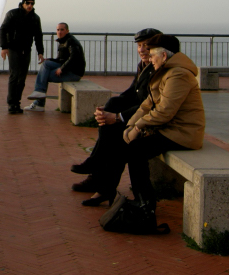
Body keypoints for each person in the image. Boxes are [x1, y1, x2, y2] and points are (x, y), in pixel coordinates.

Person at [84, 34, 205, 219]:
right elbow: (147, 105)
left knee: (135, 150)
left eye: (152, 54)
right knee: (125, 143)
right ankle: (115, 191)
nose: (149, 58)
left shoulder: (178, 74)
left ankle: (145, 203)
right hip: (169, 129)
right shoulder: (165, 72)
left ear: (164, 56)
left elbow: (165, 111)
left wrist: (137, 128)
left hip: (183, 133)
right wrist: (130, 126)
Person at [69, 28, 161, 192]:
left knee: (117, 137)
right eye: (139, 45)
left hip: (151, 121)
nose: (141, 50)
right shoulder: (143, 65)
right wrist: (108, 109)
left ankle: (99, 179)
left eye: (146, 45)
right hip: (139, 117)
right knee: (112, 114)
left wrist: (118, 117)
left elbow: (150, 105)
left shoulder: (158, 69)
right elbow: (132, 93)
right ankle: (100, 179)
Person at [0, 0, 44, 114]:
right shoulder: (12, 14)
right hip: (14, 49)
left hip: (26, 50)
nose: (30, 5)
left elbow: (38, 36)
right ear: (23, 3)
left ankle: (17, 103)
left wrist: (40, 52)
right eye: (27, 3)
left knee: (22, 77)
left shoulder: (35, 18)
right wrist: (4, 47)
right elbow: (3, 29)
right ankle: (11, 103)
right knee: (15, 75)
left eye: (32, 3)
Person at [26, 22, 85, 111]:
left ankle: (39, 102)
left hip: (74, 73)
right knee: (46, 65)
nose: (59, 32)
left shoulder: (72, 41)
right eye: (58, 30)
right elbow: (60, 59)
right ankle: (39, 96)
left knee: (44, 76)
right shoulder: (63, 41)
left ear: (67, 31)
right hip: (68, 69)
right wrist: (48, 59)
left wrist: (62, 69)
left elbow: (74, 58)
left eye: (62, 30)